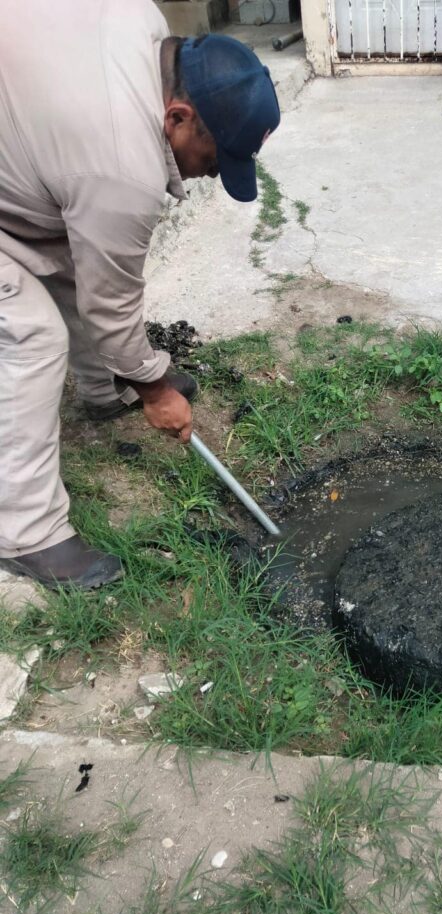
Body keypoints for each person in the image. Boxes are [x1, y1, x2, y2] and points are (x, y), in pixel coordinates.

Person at [0, 0, 280, 590]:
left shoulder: (145, 23)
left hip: (21, 148)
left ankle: (104, 389)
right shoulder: (122, 166)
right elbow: (111, 305)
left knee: (77, 253)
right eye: (212, 159)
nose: (210, 174)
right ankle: (26, 533)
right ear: (178, 116)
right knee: (31, 335)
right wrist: (155, 390)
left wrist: (139, 374)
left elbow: (98, 276)